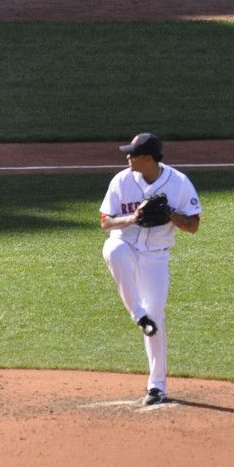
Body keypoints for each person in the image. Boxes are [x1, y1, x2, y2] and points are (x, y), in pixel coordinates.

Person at [99, 133, 201, 406]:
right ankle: (138, 315)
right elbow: (105, 223)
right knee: (113, 250)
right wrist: (132, 218)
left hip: (156, 256)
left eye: (133, 153)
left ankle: (156, 386)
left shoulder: (178, 183)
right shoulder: (121, 180)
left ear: (148, 158)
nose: (127, 157)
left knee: (156, 318)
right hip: (127, 244)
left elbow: (193, 225)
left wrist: (170, 215)